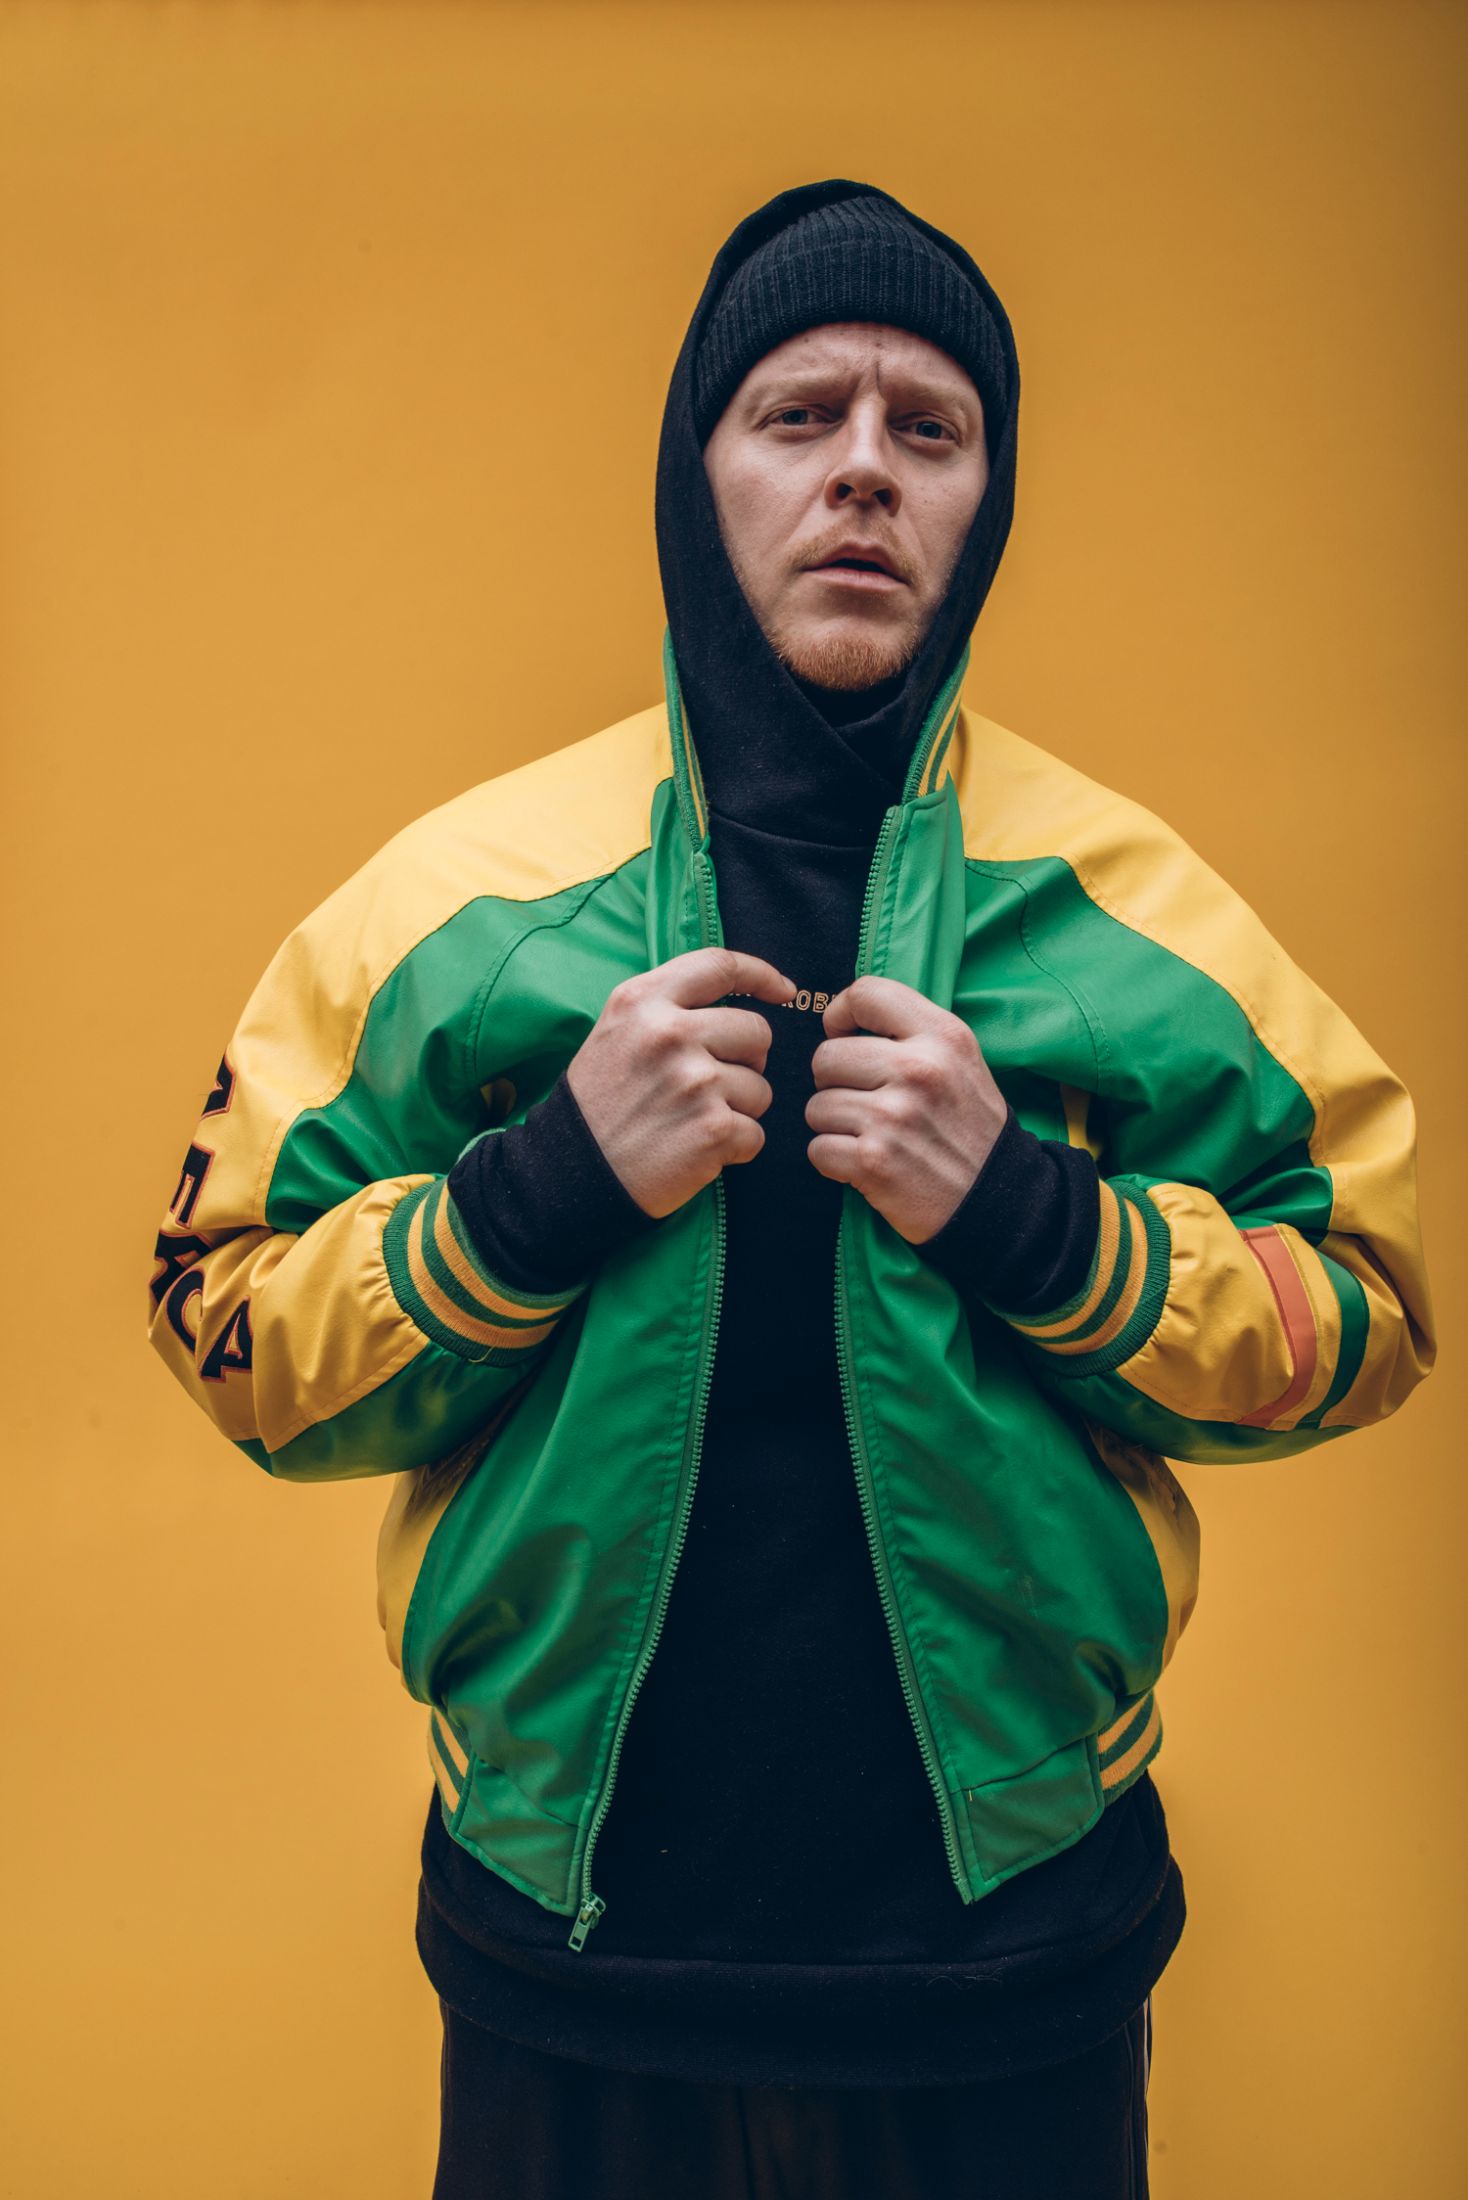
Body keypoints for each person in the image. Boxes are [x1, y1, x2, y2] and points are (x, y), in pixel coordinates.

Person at [146, 180, 1434, 2199]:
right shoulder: (464, 906)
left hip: (1014, 1952)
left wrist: (1033, 1218)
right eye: (797, 414)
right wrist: (534, 1193)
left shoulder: (1127, 911)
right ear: (699, 470)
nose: (862, 470)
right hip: (568, 1946)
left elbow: (1361, 1308)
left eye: (930, 428)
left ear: (986, 497)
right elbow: (223, 1318)